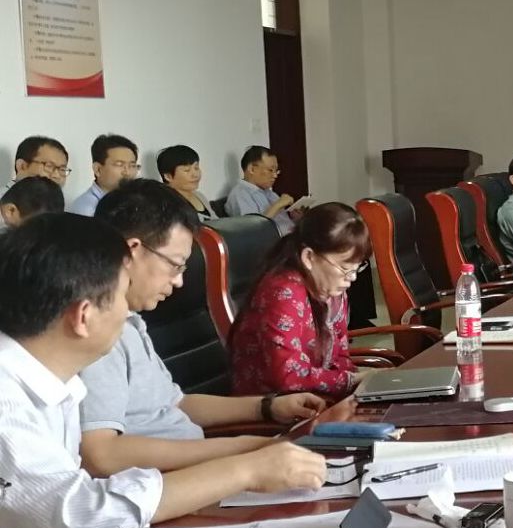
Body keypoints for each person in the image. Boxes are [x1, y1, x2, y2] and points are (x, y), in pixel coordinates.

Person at [0, 214, 327, 528]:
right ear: (83, 316)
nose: (126, 311)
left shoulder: (55, 380)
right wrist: (245, 470)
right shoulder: (8, 403)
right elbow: (77, 519)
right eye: (121, 295)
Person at [77, 180, 327, 479]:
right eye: (176, 265)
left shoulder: (131, 321)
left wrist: (268, 407)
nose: (179, 281)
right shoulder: (97, 333)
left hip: (199, 469)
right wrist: (241, 451)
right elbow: (101, 455)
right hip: (171, 483)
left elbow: (177, 404)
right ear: (132, 250)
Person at [230, 203, 371, 399]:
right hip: (273, 407)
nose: (352, 278)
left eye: (357, 268)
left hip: (317, 399)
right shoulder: (282, 293)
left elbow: (341, 356)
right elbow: (288, 377)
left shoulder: (332, 288)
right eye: (345, 268)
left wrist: (358, 384)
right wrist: (350, 380)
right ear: (309, 257)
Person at [224, 145, 304, 235]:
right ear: (252, 169)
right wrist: (278, 205)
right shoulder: (240, 194)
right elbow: (252, 230)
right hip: (279, 242)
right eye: (271, 170)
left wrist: (294, 219)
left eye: (276, 171)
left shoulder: (270, 193)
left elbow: (282, 222)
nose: (275, 175)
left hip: (293, 236)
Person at [67, 134, 139, 217]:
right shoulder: (86, 210)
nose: (127, 172)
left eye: (132, 165)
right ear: (98, 169)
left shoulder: (133, 201)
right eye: (119, 164)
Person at [157, 144, 219, 220]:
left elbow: (217, 222)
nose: (195, 175)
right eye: (187, 170)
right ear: (168, 176)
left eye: (196, 168)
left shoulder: (199, 196)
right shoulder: (166, 205)